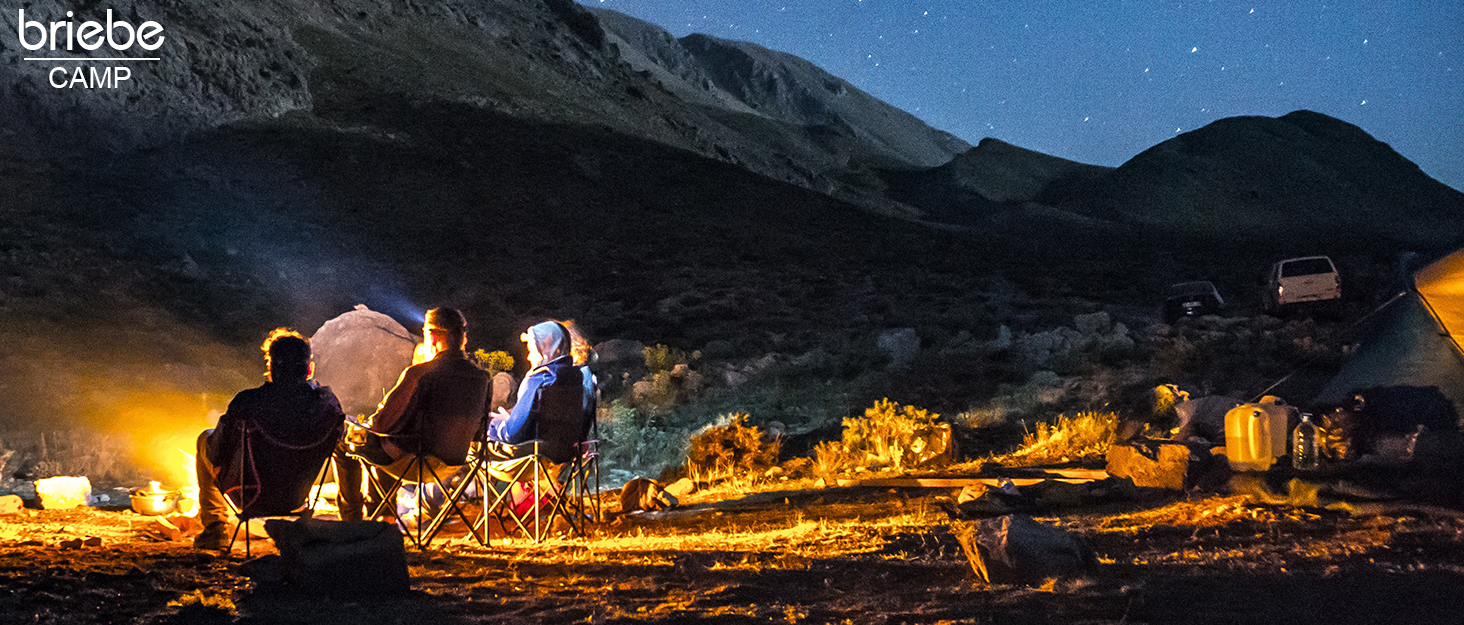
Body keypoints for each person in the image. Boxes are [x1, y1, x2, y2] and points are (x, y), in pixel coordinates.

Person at [194, 328, 346, 551]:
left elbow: (217, 453)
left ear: (271, 368)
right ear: (309, 368)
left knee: (205, 439)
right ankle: (353, 517)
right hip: (297, 498)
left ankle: (216, 528)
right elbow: (338, 440)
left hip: (250, 496)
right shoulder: (326, 405)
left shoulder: (248, 402)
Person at [334, 307, 491, 522]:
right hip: (456, 461)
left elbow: (380, 425)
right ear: (463, 339)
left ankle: (353, 521)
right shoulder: (481, 378)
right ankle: (382, 513)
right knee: (385, 441)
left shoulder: (420, 373)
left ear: (433, 337)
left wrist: (366, 423)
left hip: (415, 461)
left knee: (347, 443)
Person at [486, 320, 590, 464]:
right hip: (565, 454)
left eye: (531, 351)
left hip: (528, 457)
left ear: (543, 350)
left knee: (475, 443)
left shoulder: (538, 381)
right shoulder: (578, 379)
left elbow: (513, 434)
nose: (528, 357)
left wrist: (495, 427)